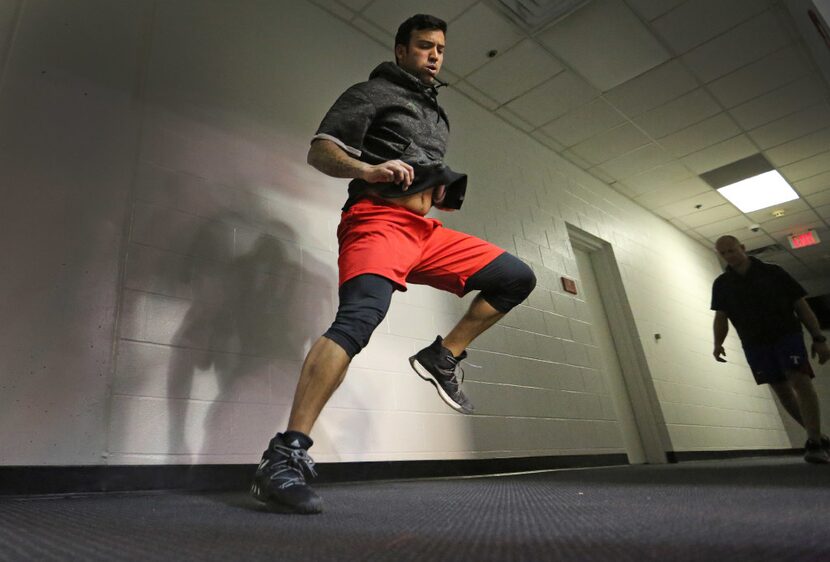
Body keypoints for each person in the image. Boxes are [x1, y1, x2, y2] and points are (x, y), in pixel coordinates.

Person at [250, 14, 536, 514]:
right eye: (425, 46)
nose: (434, 55)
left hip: (425, 233)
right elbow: (322, 152)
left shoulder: (437, 115)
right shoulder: (371, 92)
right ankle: (283, 457)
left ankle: (443, 356)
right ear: (401, 50)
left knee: (516, 277)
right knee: (358, 321)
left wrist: (436, 191)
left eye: (441, 48)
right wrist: (369, 168)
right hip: (376, 221)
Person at [711, 235, 830, 463]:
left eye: (732, 250)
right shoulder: (722, 284)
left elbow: (801, 306)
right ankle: (817, 436)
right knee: (782, 389)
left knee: (800, 380)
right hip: (755, 343)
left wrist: (819, 338)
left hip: (786, 335)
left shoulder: (773, 272)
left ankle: (814, 442)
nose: (728, 256)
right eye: (723, 253)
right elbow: (721, 317)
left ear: (743, 247)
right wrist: (718, 343)